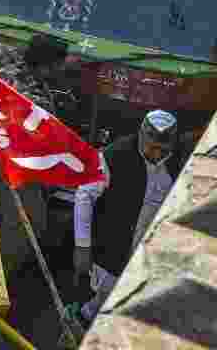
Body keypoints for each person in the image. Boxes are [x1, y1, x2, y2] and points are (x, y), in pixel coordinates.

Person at [72, 110, 184, 324]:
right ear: (141, 135)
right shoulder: (116, 155)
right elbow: (84, 195)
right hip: (110, 247)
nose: (157, 154)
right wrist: (82, 245)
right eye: (151, 147)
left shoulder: (177, 162)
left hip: (145, 250)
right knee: (102, 295)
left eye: (163, 149)